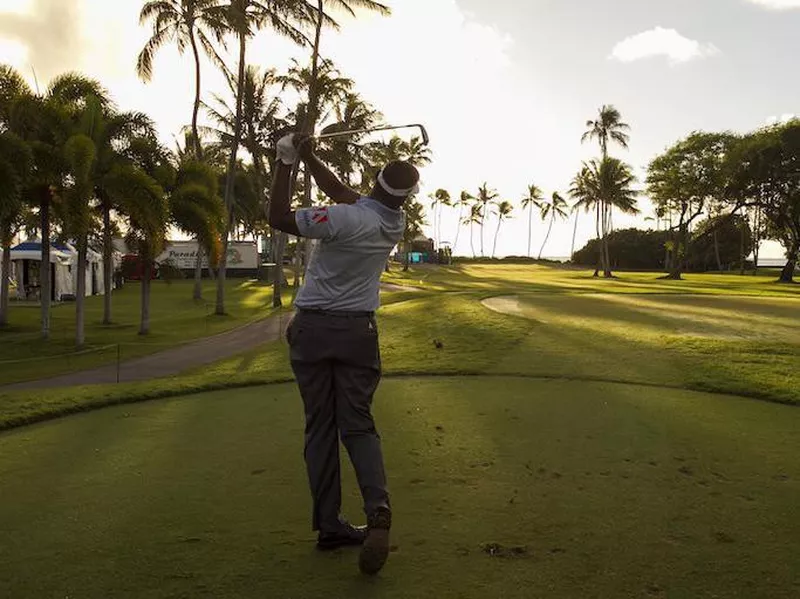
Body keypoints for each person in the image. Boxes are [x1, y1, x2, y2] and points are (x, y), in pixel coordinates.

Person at [267, 133, 420, 575]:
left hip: (313, 330)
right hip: (358, 333)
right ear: (406, 197)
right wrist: (310, 156)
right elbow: (343, 193)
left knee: (320, 429)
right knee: (358, 424)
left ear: (374, 181)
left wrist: (284, 161)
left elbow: (277, 215)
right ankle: (378, 509)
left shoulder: (341, 219)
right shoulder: (392, 221)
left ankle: (329, 524)